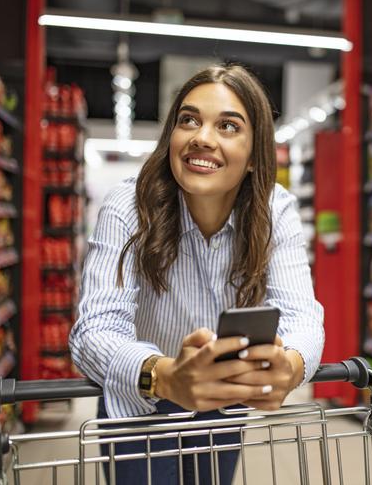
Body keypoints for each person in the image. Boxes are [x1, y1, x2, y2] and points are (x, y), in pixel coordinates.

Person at [69, 64, 324, 485]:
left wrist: (291, 363)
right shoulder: (128, 206)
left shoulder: (273, 211)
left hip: (223, 402)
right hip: (140, 401)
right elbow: (94, 329)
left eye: (227, 126)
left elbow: (302, 316)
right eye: (188, 120)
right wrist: (166, 375)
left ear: (253, 156)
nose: (202, 137)